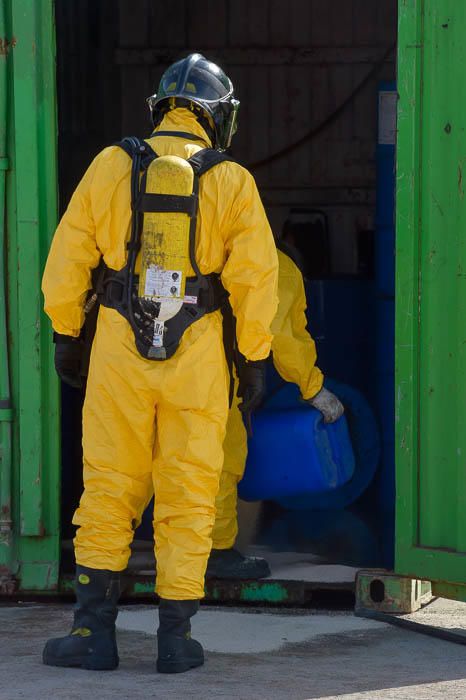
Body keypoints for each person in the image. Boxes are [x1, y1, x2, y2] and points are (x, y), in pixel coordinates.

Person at [41, 53, 278, 674]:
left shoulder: (111, 164)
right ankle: (176, 641)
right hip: (199, 354)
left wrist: (68, 334)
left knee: (110, 485)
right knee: (189, 488)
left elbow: (67, 259)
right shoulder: (232, 181)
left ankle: (92, 635)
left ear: (160, 110)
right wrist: (253, 360)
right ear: (217, 118)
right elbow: (258, 283)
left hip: (119, 346)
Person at [206, 245, 344, 580]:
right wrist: (312, 387)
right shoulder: (274, 264)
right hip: (210, 376)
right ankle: (216, 553)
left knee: (140, 464)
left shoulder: (191, 246)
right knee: (220, 461)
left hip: (143, 366)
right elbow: (284, 332)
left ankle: (107, 559)